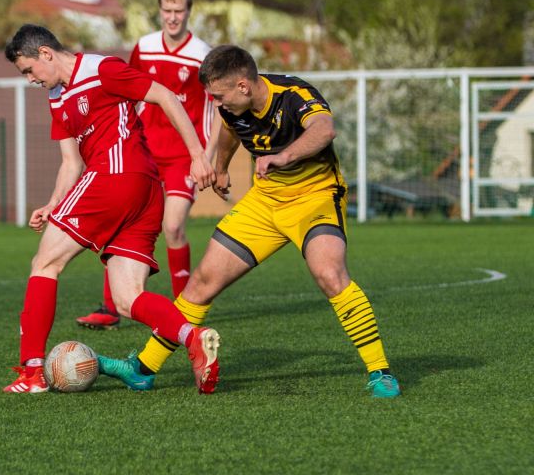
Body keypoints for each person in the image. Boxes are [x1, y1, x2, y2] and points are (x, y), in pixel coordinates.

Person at [98, 44, 401, 398]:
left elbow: (324, 130)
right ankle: (143, 369)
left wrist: (283, 156)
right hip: (265, 202)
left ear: (243, 86)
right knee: (201, 283)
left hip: (315, 197)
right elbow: (229, 130)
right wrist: (223, 166)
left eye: (220, 95)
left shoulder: (293, 94)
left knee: (330, 275)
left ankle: (380, 371)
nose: (216, 103)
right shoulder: (232, 108)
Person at [1, 24, 221, 394]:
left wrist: (198, 156)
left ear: (45, 54)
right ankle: (193, 338)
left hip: (114, 177)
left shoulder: (101, 70)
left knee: (45, 264)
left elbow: (166, 95)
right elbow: (71, 162)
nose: (29, 79)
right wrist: (53, 204)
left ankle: (33, 371)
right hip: (145, 189)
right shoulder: (56, 95)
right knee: (126, 298)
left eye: (28, 70)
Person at [75, 0, 221, 331]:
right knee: (120, 223)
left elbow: (219, 109)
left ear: (189, 12)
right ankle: (111, 308)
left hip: (184, 156)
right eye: (167, 11)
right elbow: (128, 93)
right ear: (160, 10)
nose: (172, 17)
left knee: (172, 226)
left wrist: (206, 156)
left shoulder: (202, 53)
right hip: (141, 152)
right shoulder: (144, 47)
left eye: (179, 11)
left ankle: (186, 307)